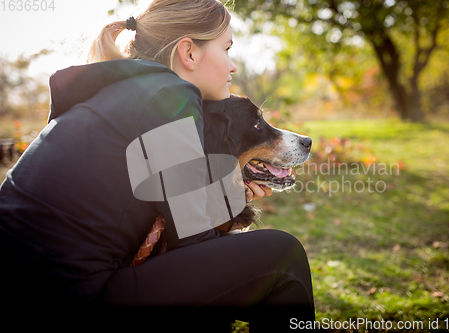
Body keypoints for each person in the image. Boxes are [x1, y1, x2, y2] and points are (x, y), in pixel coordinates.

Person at [0, 0, 315, 331]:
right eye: (227, 49)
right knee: (284, 257)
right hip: (68, 300)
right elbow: (192, 240)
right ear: (189, 53)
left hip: (26, 287)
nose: (233, 66)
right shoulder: (167, 95)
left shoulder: (123, 90)